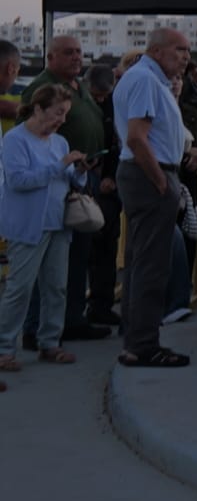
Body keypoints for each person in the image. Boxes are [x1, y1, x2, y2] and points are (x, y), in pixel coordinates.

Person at [112, 28, 194, 369]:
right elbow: (136, 138)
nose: (186, 57)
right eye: (180, 50)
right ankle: (143, 345)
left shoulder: (149, 79)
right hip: (151, 175)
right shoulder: (145, 80)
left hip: (147, 174)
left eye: (188, 51)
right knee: (151, 265)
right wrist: (161, 182)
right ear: (158, 51)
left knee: (139, 261)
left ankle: (136, 338)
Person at [0, 85, 94, 375]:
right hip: (28, 225)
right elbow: (18, 181)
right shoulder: (15, 140)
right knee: (20, 288)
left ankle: (50, 342)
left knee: (56, 286)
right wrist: (60, 165)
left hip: (58, 223)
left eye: (65, 114)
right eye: (58, 113)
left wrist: (79, 170)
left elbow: (68, 180)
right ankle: (4, 348)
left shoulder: (60, 142)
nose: (61, 120)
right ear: (39, 109)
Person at [24, 34, 111, 344]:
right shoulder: (42, 88)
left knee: (78, 257)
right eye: (68, 53)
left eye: (79, 52)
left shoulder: (80, 87)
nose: (76, 57)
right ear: (50, 58)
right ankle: (37, 327)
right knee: (51, 260)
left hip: (83, 179)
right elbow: (33, 134)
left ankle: (72, 318)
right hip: (59, 183)